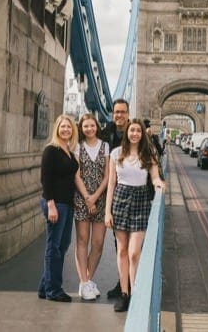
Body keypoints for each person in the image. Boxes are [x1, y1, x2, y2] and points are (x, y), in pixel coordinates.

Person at [105, 118, 166, 312]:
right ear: (127, 132)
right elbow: (111, 184)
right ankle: (125, 294)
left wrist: (158, 184)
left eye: (138, 131)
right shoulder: (116, 154)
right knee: (121, 251)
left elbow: (155, 177)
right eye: (132, 130)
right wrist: (107, 212)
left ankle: (137, 293)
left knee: (134, 253)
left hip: (141, 200)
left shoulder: (149, 153)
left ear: (142, 134)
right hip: (120, 200)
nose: (134, 134)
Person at [38, 114, 79, 302]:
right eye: (62, 127)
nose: (66, 130)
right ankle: (54, 290)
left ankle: (44, 287)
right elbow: (45, 180)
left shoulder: (69, 150)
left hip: (67, 204)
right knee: (53, 247)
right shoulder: (51, 150)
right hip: (55, 204)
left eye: (69, 127)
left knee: (62, 245)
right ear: (57, 129)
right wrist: (51, 205)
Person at [73, 113, 110, 301]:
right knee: (82, 240)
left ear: (97, 126)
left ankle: (87, 281)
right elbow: (76, 175)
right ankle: (84, 282)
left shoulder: (105, 146)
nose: (89, 129)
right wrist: (88, 197)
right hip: (82, 199)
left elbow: (107, 176)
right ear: (81, 128)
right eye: (85, 126)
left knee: (98, 243)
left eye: (92, 126)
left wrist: (95, 197)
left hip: (101, 200)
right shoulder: (77, 147)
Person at [99, 99, 130, 299]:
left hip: (133, 195)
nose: (119, 115)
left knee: (133, 248)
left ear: (128, 114)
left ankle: (131, 286)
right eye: (116, 112)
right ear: (112, 114)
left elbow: (151, 154)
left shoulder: (136, 132)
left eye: (122, 112)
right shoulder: (105, 132)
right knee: (120, 245)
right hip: (114, 194)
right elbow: (87, 138)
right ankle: (123, 285)